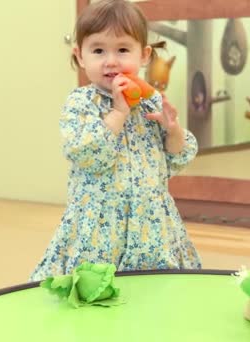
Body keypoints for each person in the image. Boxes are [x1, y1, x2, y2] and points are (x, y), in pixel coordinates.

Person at [30, 0, 201, 282]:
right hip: (99, 224)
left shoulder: (150, 101)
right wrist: (119, 112)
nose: (110, 61)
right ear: (81, 56)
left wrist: (173, 130)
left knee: (154, 288)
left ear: (144, 55)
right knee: (96, 287)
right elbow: (87, 153)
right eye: (98, 50)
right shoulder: (81, 102)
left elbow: (176, 159)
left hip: (151, 221)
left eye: (122, 50)